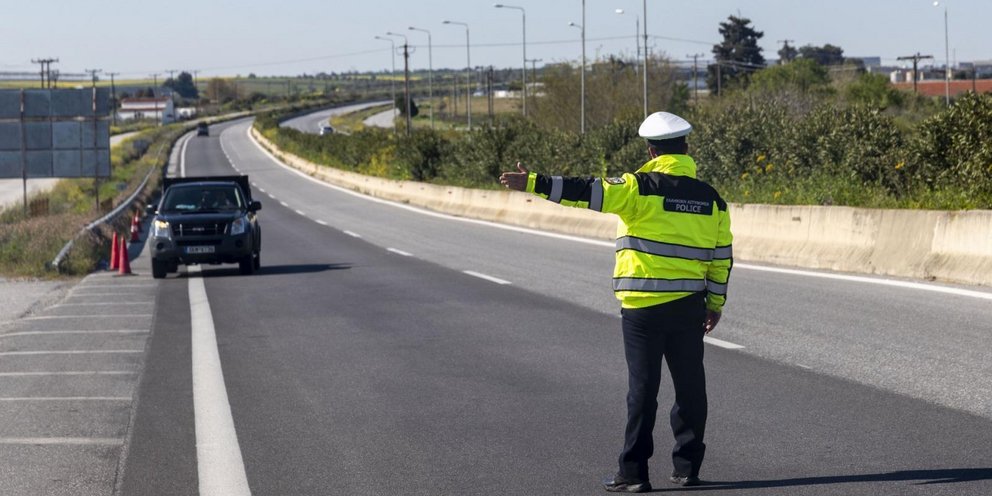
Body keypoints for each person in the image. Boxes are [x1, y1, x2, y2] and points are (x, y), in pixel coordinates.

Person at [499, 111, 732, 493]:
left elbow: (584, 191)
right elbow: (722, 258)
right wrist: (715, 303)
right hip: (689, 306)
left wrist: (534, 182)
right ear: (686, 149)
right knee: (691, 388)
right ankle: (687, 468)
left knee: (643, 390)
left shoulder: (637, 187)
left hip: (642, 308)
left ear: (651, 151)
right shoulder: (713, 200)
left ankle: (634, 474)